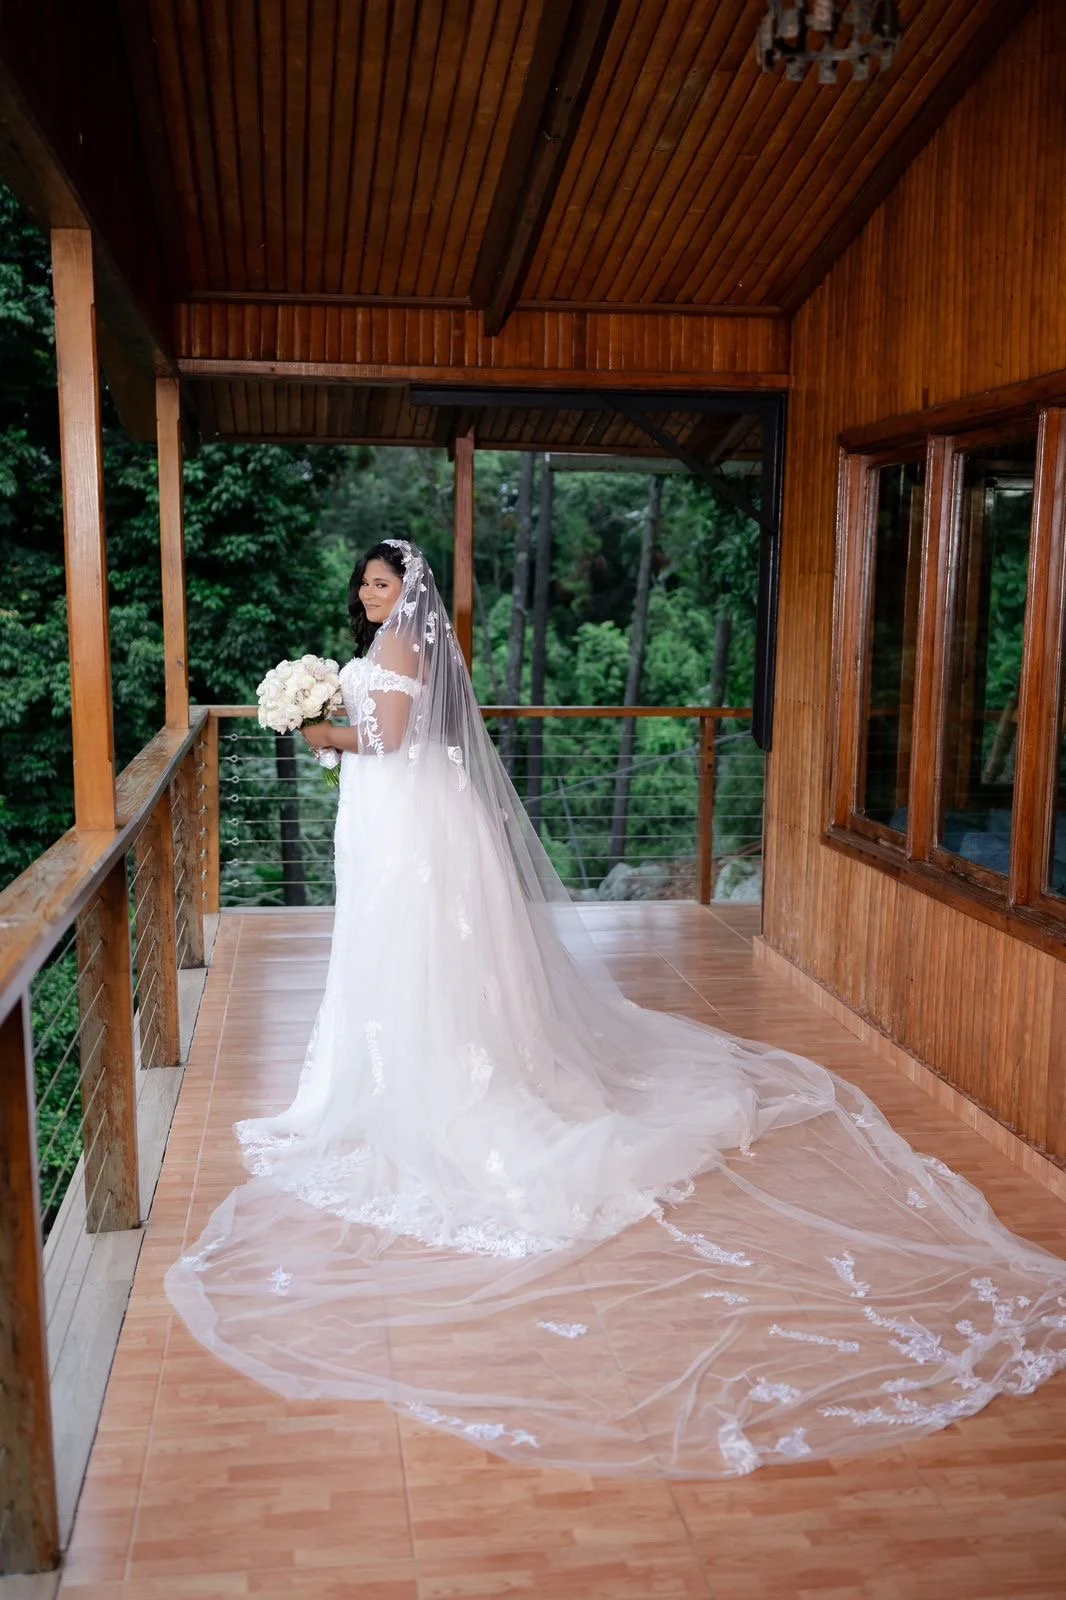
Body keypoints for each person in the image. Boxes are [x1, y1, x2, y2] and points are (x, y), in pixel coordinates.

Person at [166, 538, 1066, 1478]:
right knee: (415, 955)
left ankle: (432, 1079)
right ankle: (425, 1060)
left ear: (409, 592)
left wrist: (318, 731)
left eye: (383, 582)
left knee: (415, 950)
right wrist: (322, 707)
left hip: (406, 823)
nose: (369, 592)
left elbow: (389, 740)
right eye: (364, 581)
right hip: (407, 817)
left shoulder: (400, 648)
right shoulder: (411, 645)